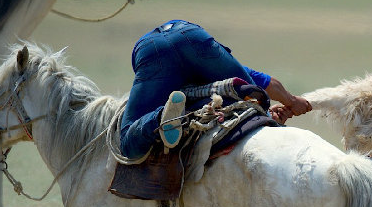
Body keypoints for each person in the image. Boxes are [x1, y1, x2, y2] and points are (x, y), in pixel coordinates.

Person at [120, 19, 312, 160]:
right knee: (250, 95)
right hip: (190, 34)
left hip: (150, 48)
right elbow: (266, 82)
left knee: (129, 143)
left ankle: (161, 116)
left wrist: (286, 104)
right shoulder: (209, 68)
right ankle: (266, 118)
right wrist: (291, 101)